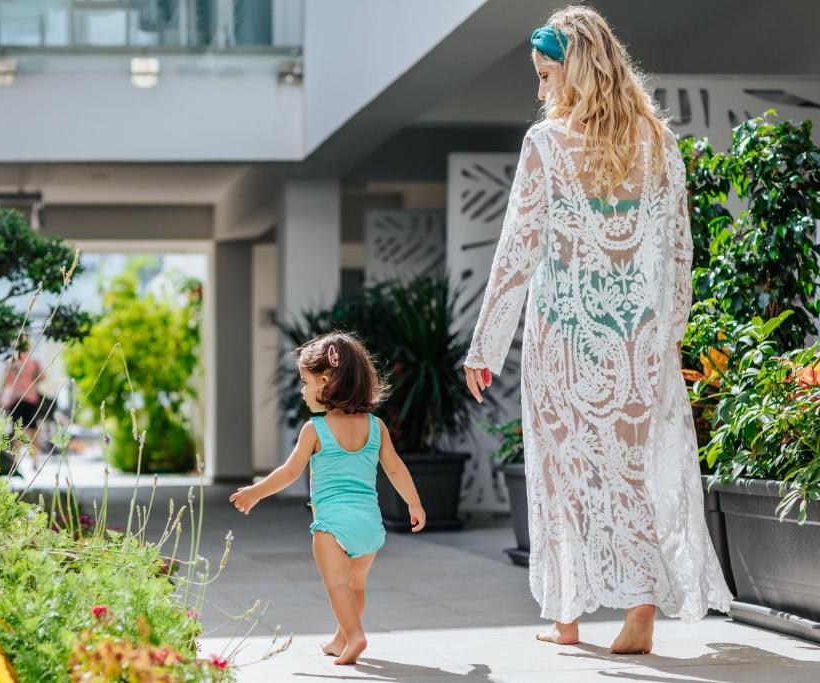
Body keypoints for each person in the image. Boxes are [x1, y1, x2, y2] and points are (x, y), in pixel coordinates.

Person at [462, 5, 731, 655]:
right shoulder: (656, 142)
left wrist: (485, 345)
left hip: (564, 339)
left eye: (545, 74)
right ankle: (639, 610)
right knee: (634, 474)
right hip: (637, 341)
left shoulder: (546, 145)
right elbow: (678, 249)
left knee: (562, 475)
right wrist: (668, 333)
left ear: (575, 71)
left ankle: (567, 617)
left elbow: (517, 251)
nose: (540, 91)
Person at [230, 332, 426, 666]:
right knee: (355, 585)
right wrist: (414, 503)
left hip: (332, 526)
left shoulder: (315, 429)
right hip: (369, 526)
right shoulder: (375, 426)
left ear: (325, 382)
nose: (302, 391)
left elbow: (289, 472)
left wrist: (255, 492)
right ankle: (341, 638)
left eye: (305, 382)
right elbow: (395, 468)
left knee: (337, 586)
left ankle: (355, 636)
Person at [0, 338, 45, 467]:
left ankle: (15, 461)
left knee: (17, 431)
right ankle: (35, 460)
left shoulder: (11, 362)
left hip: (15, 399)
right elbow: (43, 377)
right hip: (31, 398)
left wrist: (0, 400)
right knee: (32, 430)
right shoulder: (33, 362)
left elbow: (4, 383)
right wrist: (30, 382)